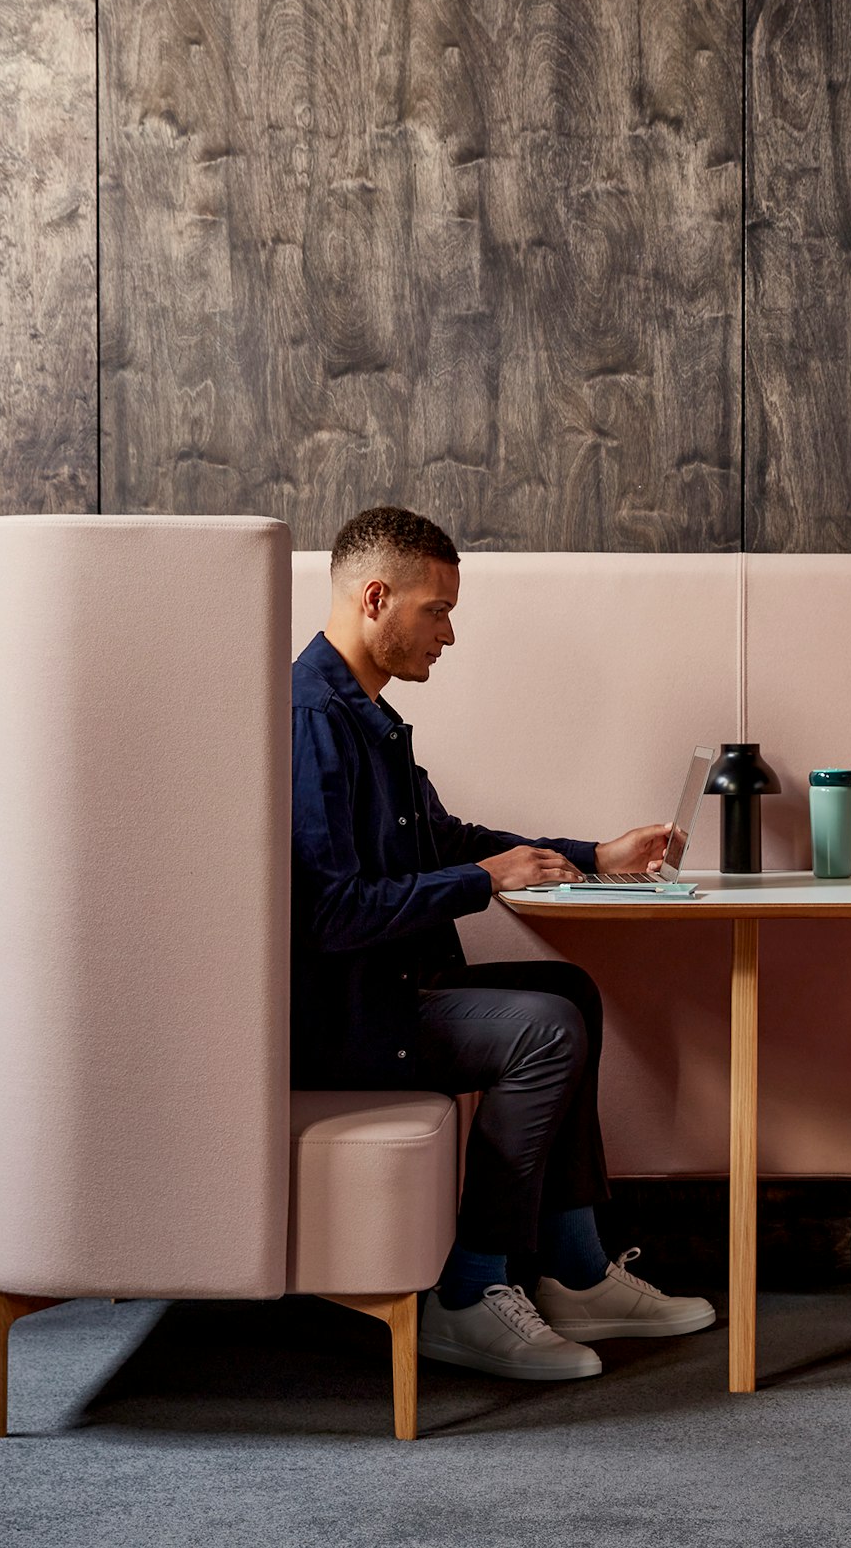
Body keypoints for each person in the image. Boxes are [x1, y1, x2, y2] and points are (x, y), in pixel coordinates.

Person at [291, 505, 717, 1380]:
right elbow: (330, 913)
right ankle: (466, 1292)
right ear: (376, 598)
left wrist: (589, 855)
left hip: (395, 989)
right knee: (544, 1029)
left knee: (571, 995)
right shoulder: (312, 722)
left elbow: (443, 839)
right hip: (348, 1017)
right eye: (436, 609)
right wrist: (487, 882)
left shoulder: (364, 712)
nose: (449, 633)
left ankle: (577, 1269)